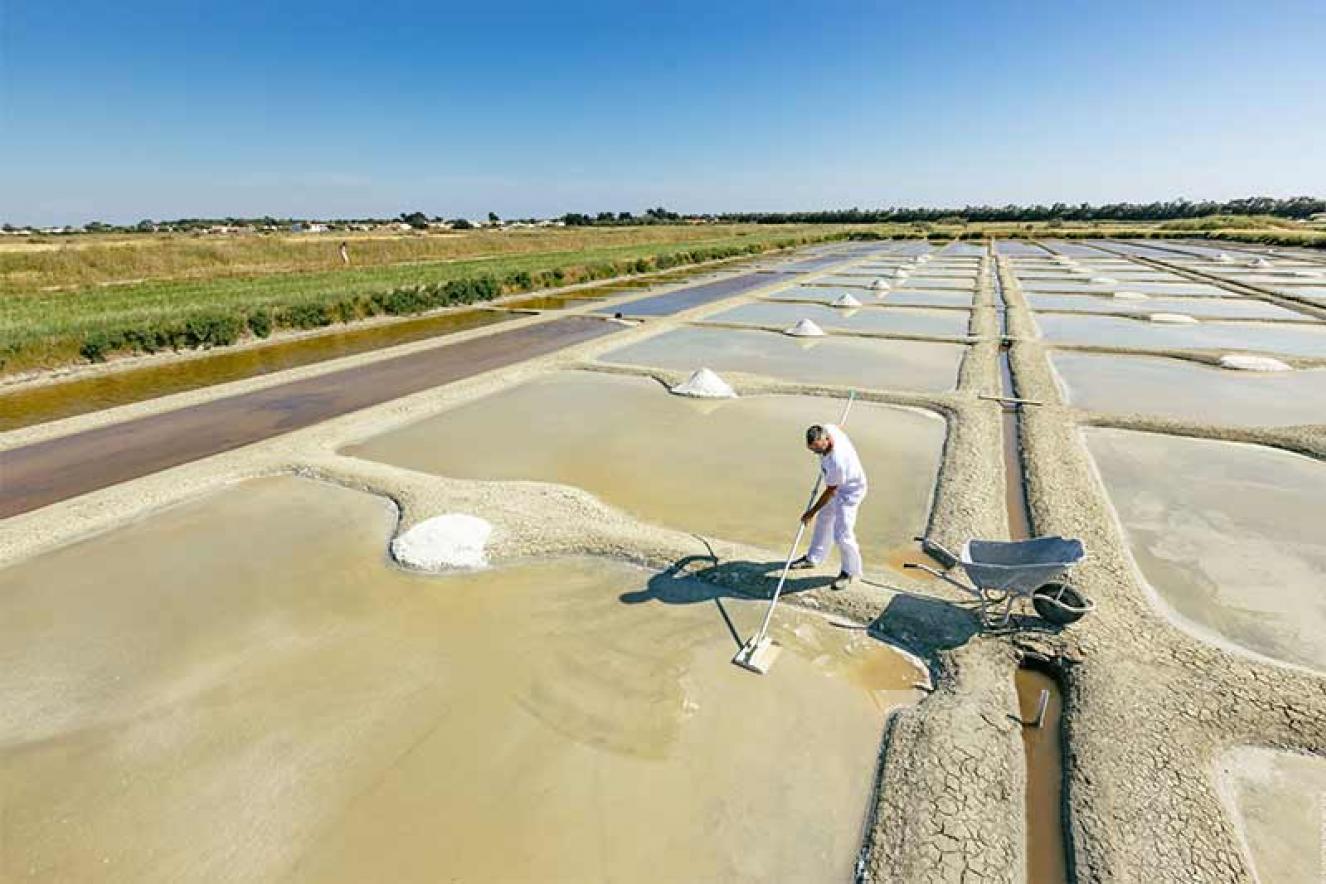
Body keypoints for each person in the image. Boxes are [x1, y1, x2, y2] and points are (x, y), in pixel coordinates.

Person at [790, 423, 868, 589]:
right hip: (836, 485)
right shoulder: (829, 429)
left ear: (826, 439)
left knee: (842, 534)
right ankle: (814, 558)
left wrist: (811, 512)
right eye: (812, 450)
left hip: (850, 491)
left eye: (818, 449)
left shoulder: (836, 462)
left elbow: (831, 491)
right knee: (824, 519)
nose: (816, 453)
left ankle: (850, 572)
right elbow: (837, 426)